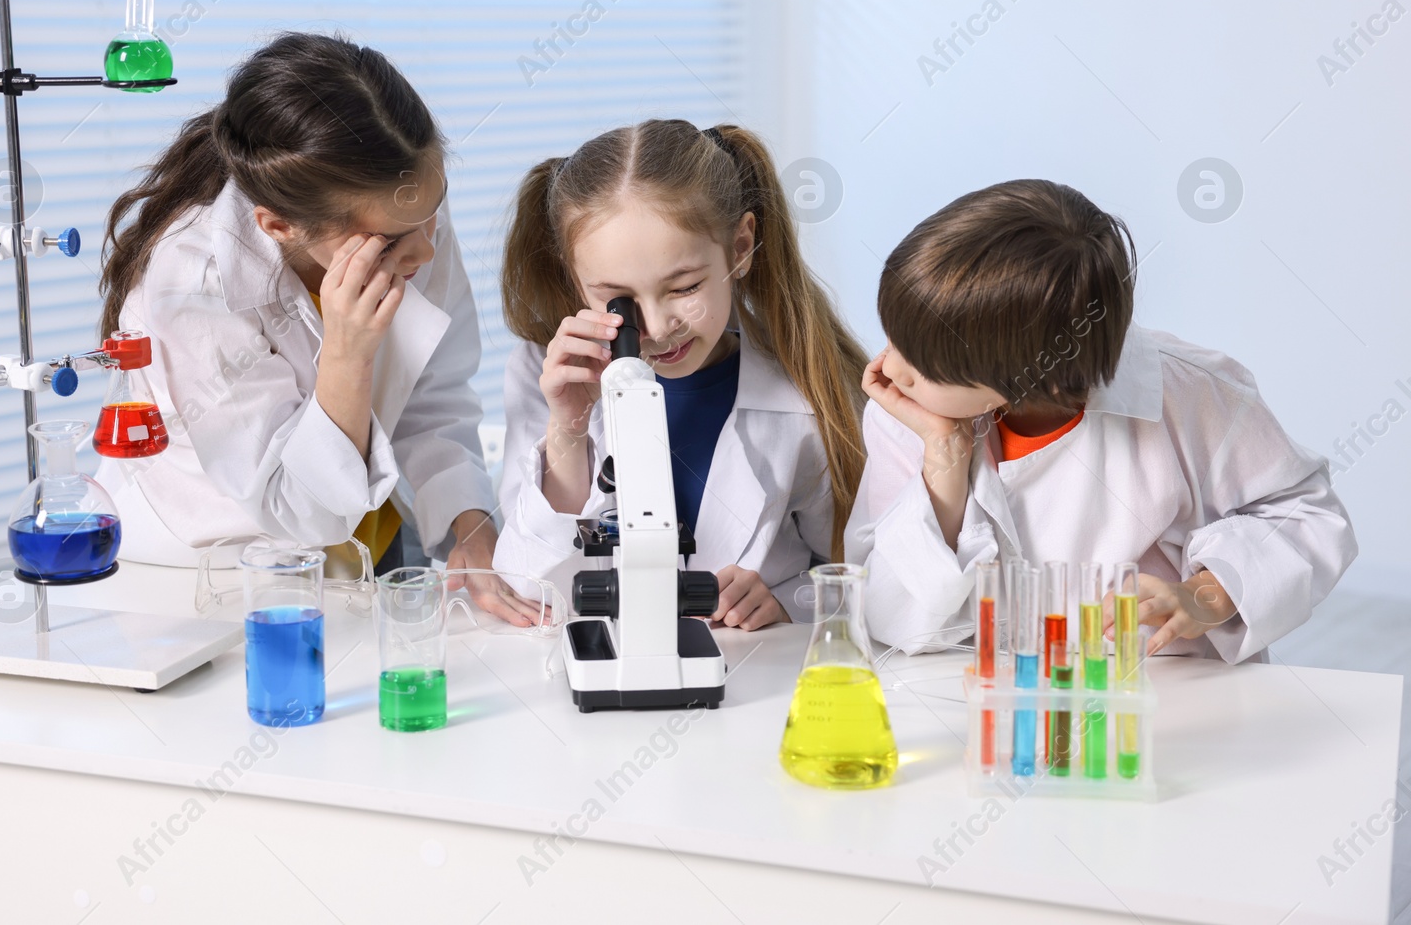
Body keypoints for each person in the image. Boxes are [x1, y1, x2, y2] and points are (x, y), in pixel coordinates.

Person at [95, 31, 537, 625]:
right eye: (394, 240)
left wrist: (471, 524)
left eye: (434, 213)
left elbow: (430, 398)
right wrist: (348, 356)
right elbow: (299, 510)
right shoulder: (193, 284)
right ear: (278, 225)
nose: (428, 251)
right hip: (210, 583)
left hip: (357, 554)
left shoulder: (402, 207)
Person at [847, 179, 1356, 660]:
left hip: (1158, 691)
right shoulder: (908, 416)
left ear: (1036, 377)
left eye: (923, 366)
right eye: (894, 338)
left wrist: (1208, 593)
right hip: (990, 696)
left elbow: (1309, 517)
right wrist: (944, 463)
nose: (888, 368)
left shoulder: (1192, 394)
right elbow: (884, 612)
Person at [493, 119, 867, 630]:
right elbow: (532, 590)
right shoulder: (546, 375)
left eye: (685, 287)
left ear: (740, 249)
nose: (657, 327)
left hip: (747, 678)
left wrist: (787, 599)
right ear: (575, 279)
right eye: (618, 299)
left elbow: (864, 569)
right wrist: (568, 429)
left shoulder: (805, 393)